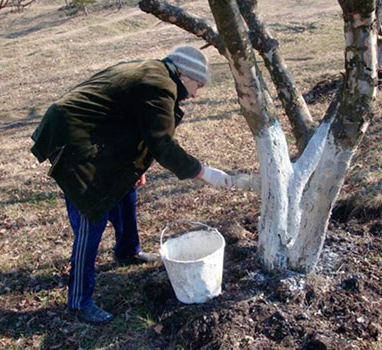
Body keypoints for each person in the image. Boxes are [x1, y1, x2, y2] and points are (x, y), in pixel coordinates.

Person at [30, 45, 234, 324]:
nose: (195, 94)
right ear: (184, 73)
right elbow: (161, 142)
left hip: (95, 135)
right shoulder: (159, 85)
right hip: (74, 138)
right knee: (92, 215)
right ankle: (79, 301)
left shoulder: (156, 74)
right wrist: (203, 172)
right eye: (196, 85)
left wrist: (135, 166)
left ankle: (127, 251)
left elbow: (132, 122)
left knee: (126, 189)